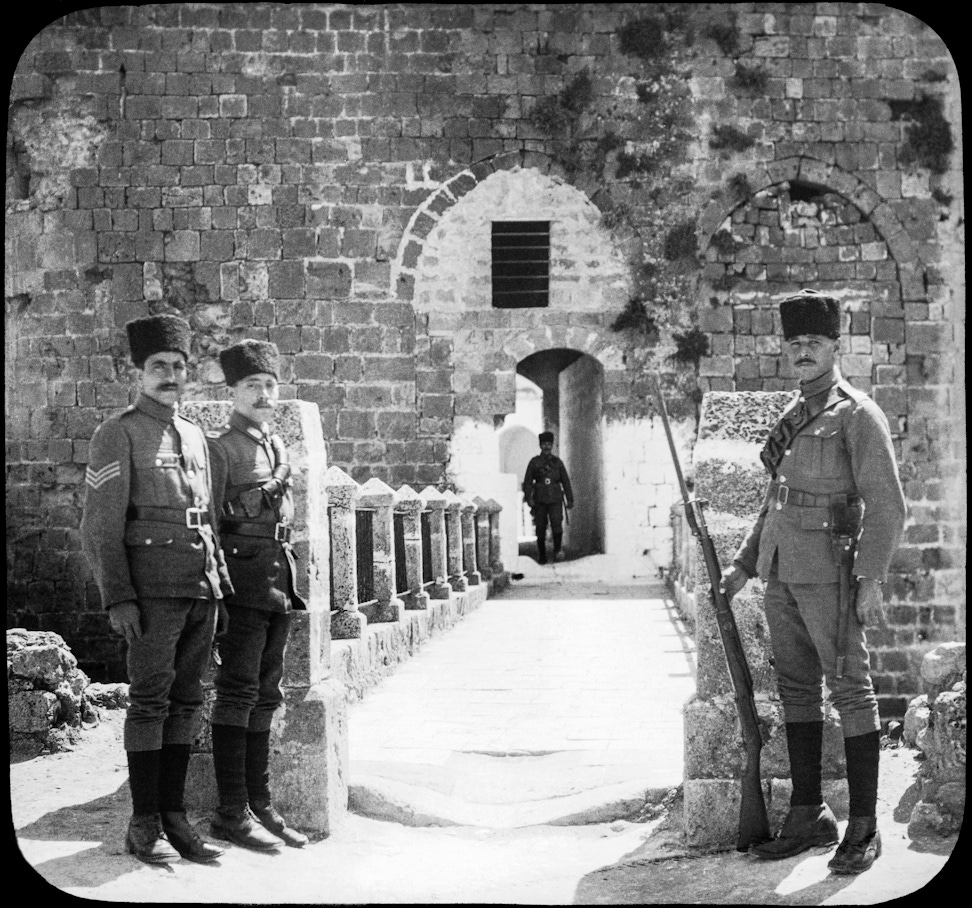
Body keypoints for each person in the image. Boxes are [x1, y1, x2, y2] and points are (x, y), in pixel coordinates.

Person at [719, 290, 906, 875]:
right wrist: (744, 565)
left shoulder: (856, 413)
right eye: (795, 343)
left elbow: (889, 506)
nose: (803, 353)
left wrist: (870, 578)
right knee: (797, 692)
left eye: (814, 344)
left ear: (834, 346)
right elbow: (775, 502)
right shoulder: (795, 414)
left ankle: (865, 826)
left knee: (850, 689)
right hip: (781, 573)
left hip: (831, 570)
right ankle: (808, 814)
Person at [81, 314, 233, 864]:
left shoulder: (194, 434)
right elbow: (100, 525)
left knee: (187, 700)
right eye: (158, 366)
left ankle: (176, 815)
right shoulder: (117, 432)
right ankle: (144, 818)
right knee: (149, 702)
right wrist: (117, 596)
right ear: (137, 371)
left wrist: (220, 586)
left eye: (177, 366)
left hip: (200, 591)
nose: (170, 375)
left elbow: (208, 518)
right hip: (149, 595)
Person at [205, 340, 309, 851]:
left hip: (277, 584)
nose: (265, 394)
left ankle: (261, 804)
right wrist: (219, 593)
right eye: (253, 386)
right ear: (233, 392)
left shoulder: (276, 446)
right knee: (237, 692)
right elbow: (208, 524)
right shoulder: (221, 449)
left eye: (270, 385)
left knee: (267, 694)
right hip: (242, 588)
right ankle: (230, 811)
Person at [522, 431, 574, 564]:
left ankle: (557, 551)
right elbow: (527, 482)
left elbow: (565, 481)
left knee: (557, 524)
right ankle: (542, 555)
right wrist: (529, 498)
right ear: (540, 445)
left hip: (555, 499)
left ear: (552, 445)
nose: (546, 447)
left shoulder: (557, 463)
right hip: (540, 500)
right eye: (544, 444)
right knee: (540, 527)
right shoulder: (534, 462)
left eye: (549, 444)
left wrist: (570, 499)